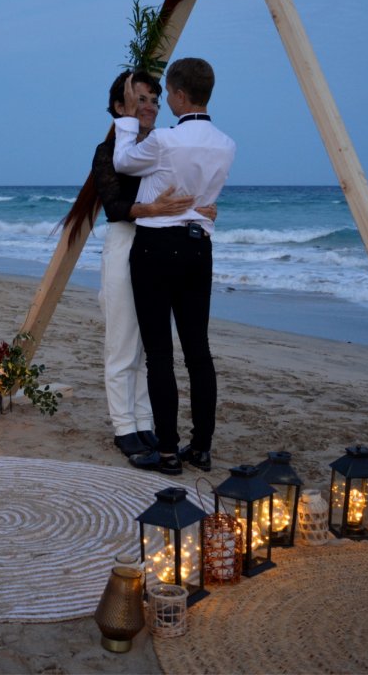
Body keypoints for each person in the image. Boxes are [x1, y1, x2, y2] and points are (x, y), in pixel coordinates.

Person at [61, 70, 216, 460]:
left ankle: (146, 422)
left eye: (154, 100)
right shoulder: (107, 150)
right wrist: (150, 209)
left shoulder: (166, 144)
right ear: (119, 107)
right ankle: (124, 426)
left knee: (153, 348)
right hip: (127, 244)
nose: (149, 107)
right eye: (140, 100)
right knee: (122, 342)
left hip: (164, 247)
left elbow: (188, 195)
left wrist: (204, 209)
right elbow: (114, 207)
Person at [113, 58, 235, 475]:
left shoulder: (166, 140)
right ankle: (201, 447)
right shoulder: (226, 143)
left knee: (160, 355)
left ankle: (167, 451)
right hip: (199, 247)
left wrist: (129, 117)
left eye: (167, 93)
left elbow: (124, 162)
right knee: (198, 352)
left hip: (156, 247)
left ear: (179, 95)